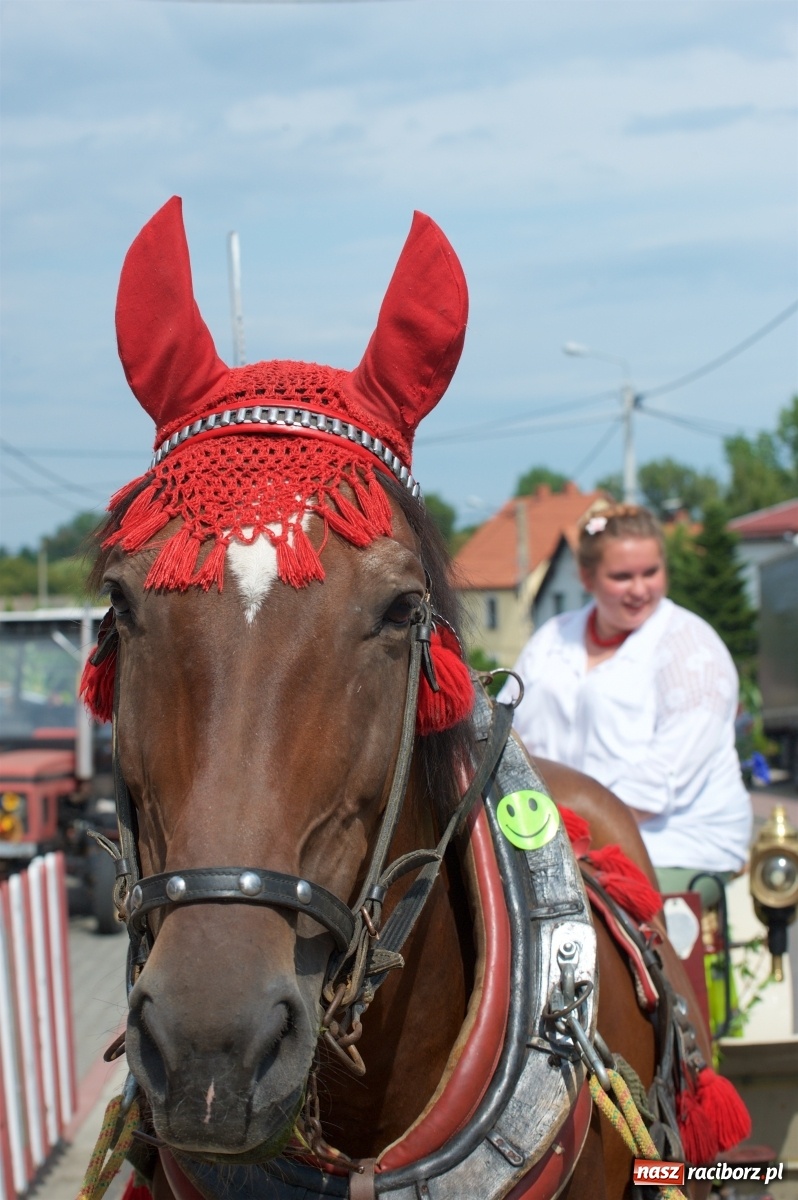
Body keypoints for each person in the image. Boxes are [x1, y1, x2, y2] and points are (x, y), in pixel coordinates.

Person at [499, 503, 752, 907]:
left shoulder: (691, 648)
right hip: (557, 839)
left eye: (650, 572)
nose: (639, 589)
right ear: (586, 576)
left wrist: (563, 830)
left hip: (676, 844)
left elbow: (659, 784)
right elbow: (505, 732)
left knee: (584, 912)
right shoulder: (552, 638)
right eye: (621, 576)